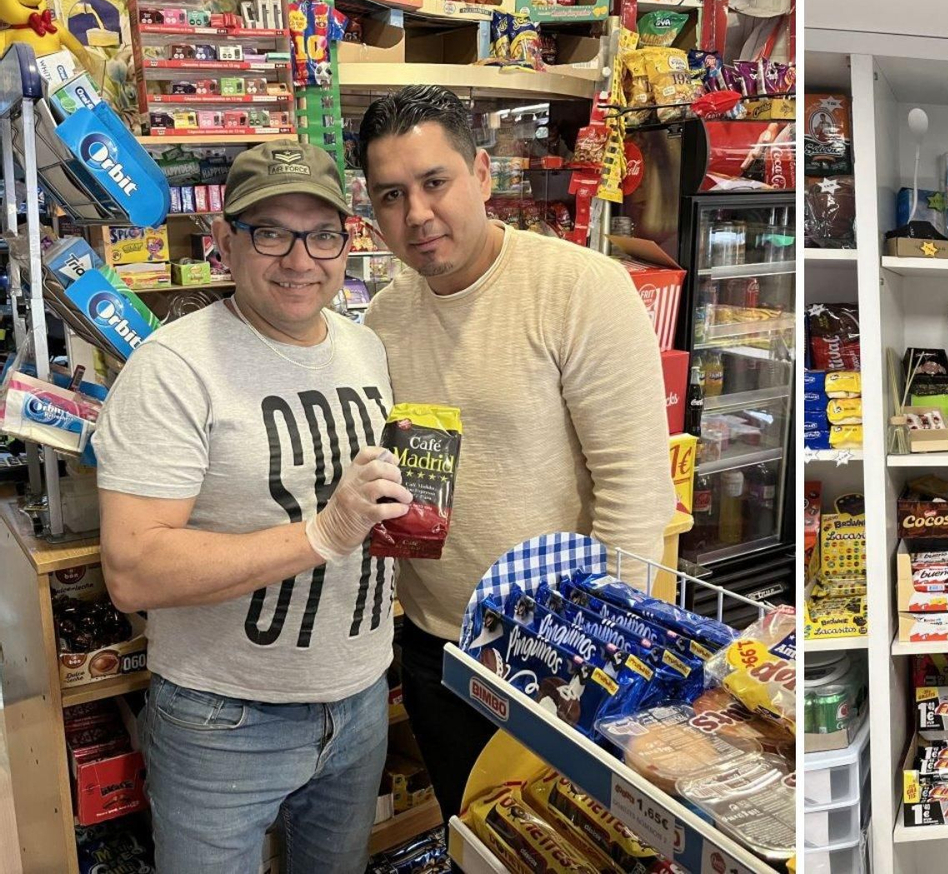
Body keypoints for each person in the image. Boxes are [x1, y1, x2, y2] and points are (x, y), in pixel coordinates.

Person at [356, 85, 675, 822]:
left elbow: (634, 490)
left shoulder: (580, 289)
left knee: (581, 848)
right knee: (478, 843)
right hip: (440, 652)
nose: (417, 215)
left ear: (483, 174)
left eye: (435, 183)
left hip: (564, 654)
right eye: (391, 196)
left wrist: (612, 663)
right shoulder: (385, 316)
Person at [94, 141, 410, 873]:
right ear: (224, 243)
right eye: (271, 232)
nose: (300, 260)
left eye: (322, 233)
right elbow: (134, 570)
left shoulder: (368, 347)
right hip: (223, 720)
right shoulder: (172, 368)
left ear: (346, 241)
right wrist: (325, 532)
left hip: (361, 700)